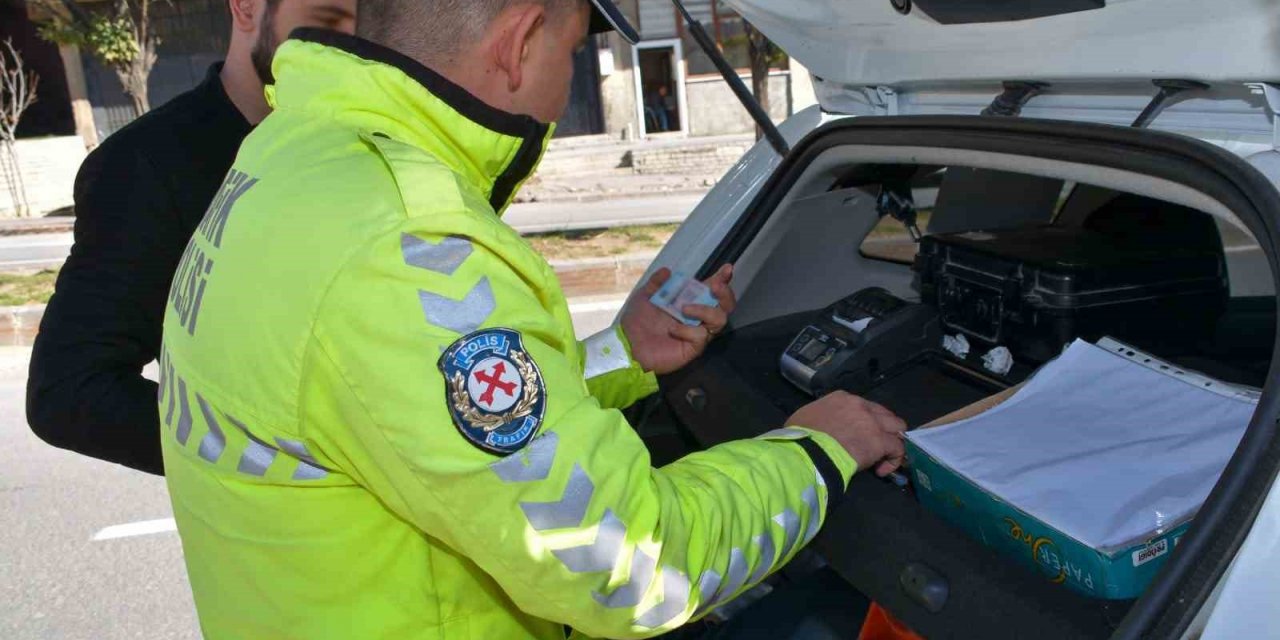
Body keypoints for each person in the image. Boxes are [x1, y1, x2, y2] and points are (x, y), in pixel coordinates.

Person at [157, 1, 908, 638]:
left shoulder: (294, 155)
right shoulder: (407, 245)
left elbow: (400, 409)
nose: (562, 84)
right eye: (572, 51)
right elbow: (633, 567)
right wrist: (819, 450)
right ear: (519, 44)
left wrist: (625, 356)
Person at [25, 0, 357, 474]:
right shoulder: (149, 165)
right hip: (271, 532)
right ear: (246, 8)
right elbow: (69, 390)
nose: (351, 47)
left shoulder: (371, 148)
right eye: (326, 22)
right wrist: (282, 468)